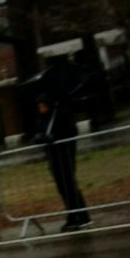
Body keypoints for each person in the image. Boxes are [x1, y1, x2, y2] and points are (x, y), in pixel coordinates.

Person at [34, 92, 91, 231]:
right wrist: (41, 138)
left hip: (65, 155)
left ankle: (80, 215)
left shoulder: (61, 115)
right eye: (39, 107)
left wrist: (55, 137)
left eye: (44, 106)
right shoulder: (42, 119)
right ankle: (73, 214)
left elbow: (71, 131)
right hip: (53, 157)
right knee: (62, 187)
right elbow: (38, 133)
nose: (42, 110)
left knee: (70, 185)